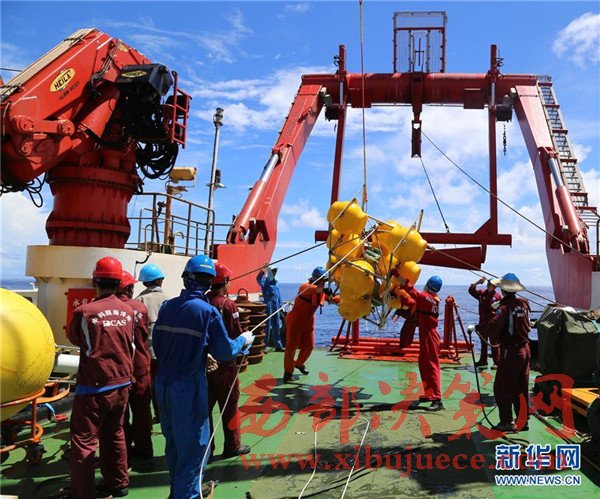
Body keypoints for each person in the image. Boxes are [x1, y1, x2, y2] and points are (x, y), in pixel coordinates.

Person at [153, 255, 254, 499]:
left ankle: (179, 490)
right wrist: (243, 340)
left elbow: (158, 343)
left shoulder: (167, 306)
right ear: (209, 282)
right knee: (194, 447)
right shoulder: (207, 312)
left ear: (184, 278)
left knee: (173, 443)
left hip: (163, 384)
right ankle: (187, 495)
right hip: (188, 386)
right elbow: (225, 351)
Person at [67, 257, 135, 499]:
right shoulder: (129, 310)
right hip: (122, 384)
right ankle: (118, 483)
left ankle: (83, 494)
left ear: (94, 282)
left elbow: (76, 339)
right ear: (119, 284)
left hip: (93, 388)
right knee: (114, 432)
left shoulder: (84, 312)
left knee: (84, 441)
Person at [475, 273, 531, 433]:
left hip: (511, 351)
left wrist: (478, 328)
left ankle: (506, 421)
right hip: (525, 349)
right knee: (521, 386)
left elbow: (494, 326)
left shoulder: (504, 308)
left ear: (503, 289)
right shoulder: (523, 303)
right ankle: (523, 421)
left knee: (501, 388)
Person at [206, 262, 251, 459]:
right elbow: (235, 333)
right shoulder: (228, 305)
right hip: (225, 366)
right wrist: (246, 341)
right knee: (230, 406)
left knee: (205, 409)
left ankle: (207, 448)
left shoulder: (203, 300)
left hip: (205, 364)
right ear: (225, 282)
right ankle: (232, 446)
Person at [117, 271, 153, 461]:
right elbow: (144, 335)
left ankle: (124, 451)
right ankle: (144, 450)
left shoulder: (108, 309)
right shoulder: (140, 308)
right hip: (140, 365)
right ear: (129, 289)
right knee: (142, 412)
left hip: (118, 370)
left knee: (120, 415)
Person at [395, 275, 444, 411]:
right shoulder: (431, 299)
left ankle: (437, 399)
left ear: (428, 285)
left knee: (431, 366)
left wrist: (397, 276)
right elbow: (414, 303)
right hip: (428, 335)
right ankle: (429, 394)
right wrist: (398, 295)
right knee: (423, 363)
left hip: (430, 337)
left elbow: (412, 291)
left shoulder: (426, 298)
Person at [283, 266, 329, 383]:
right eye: (323, 280)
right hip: (295, 320)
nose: (324, 282)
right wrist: (323, 289)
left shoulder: (321, 291)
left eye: (325, 280)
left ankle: (299, 364)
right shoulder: (305, 286)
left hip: (308, 321)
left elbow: (332, 298)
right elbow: (315, 289)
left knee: (309, 346)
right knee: (291, 347)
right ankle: (288, 373)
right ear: (316, 279)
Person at [136, 263, 169, 420]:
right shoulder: (168, 300)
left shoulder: (139, 300)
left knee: (146, 385)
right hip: (165, 352)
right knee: (163, 384)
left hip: (145, 353)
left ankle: (146, 416)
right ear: (159, 280)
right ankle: (162, 413)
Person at [469, 276, 501, 368]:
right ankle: (483, 360)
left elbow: (501, 310)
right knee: (483, 342)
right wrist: (477, 282)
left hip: (493, 323)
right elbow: (471, 290)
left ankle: (496, 362)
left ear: (495, 286)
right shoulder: (482, 293)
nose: (489, 286)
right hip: (483, 322)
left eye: (492, 284)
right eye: (488, 284)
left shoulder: (498, 296)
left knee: (494, 343)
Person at [256, 263, 284, 351]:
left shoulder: (276, 282)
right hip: (269, 306)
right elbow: (258, 279)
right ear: (270, 271)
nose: (275, 272)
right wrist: (262, 271)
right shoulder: (264, 281)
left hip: (276, 306)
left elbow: (279, 296)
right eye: (273, 271)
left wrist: (281, 306)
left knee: (276, 325)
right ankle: (264, 347)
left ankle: (278, 346)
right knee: (267, 327)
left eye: (275, 271)